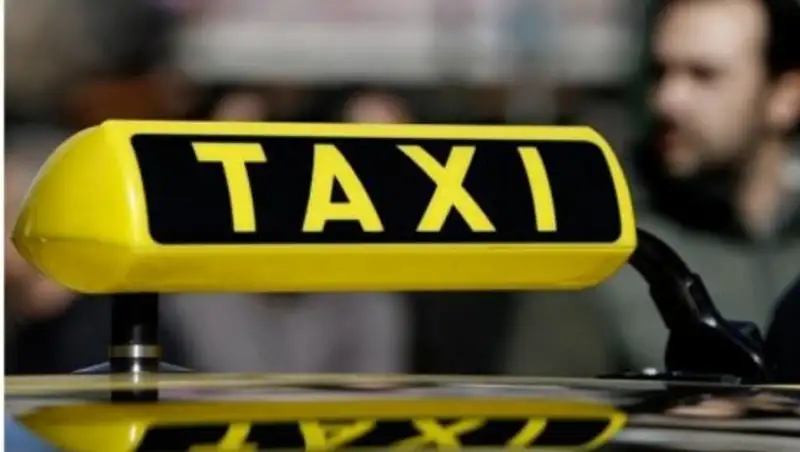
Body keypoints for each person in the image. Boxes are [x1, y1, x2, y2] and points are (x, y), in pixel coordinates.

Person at [510, 0, 800, 376]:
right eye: (659, 73)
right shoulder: (603, 249)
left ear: (787, 95)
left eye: (704, 75)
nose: (667, 100)